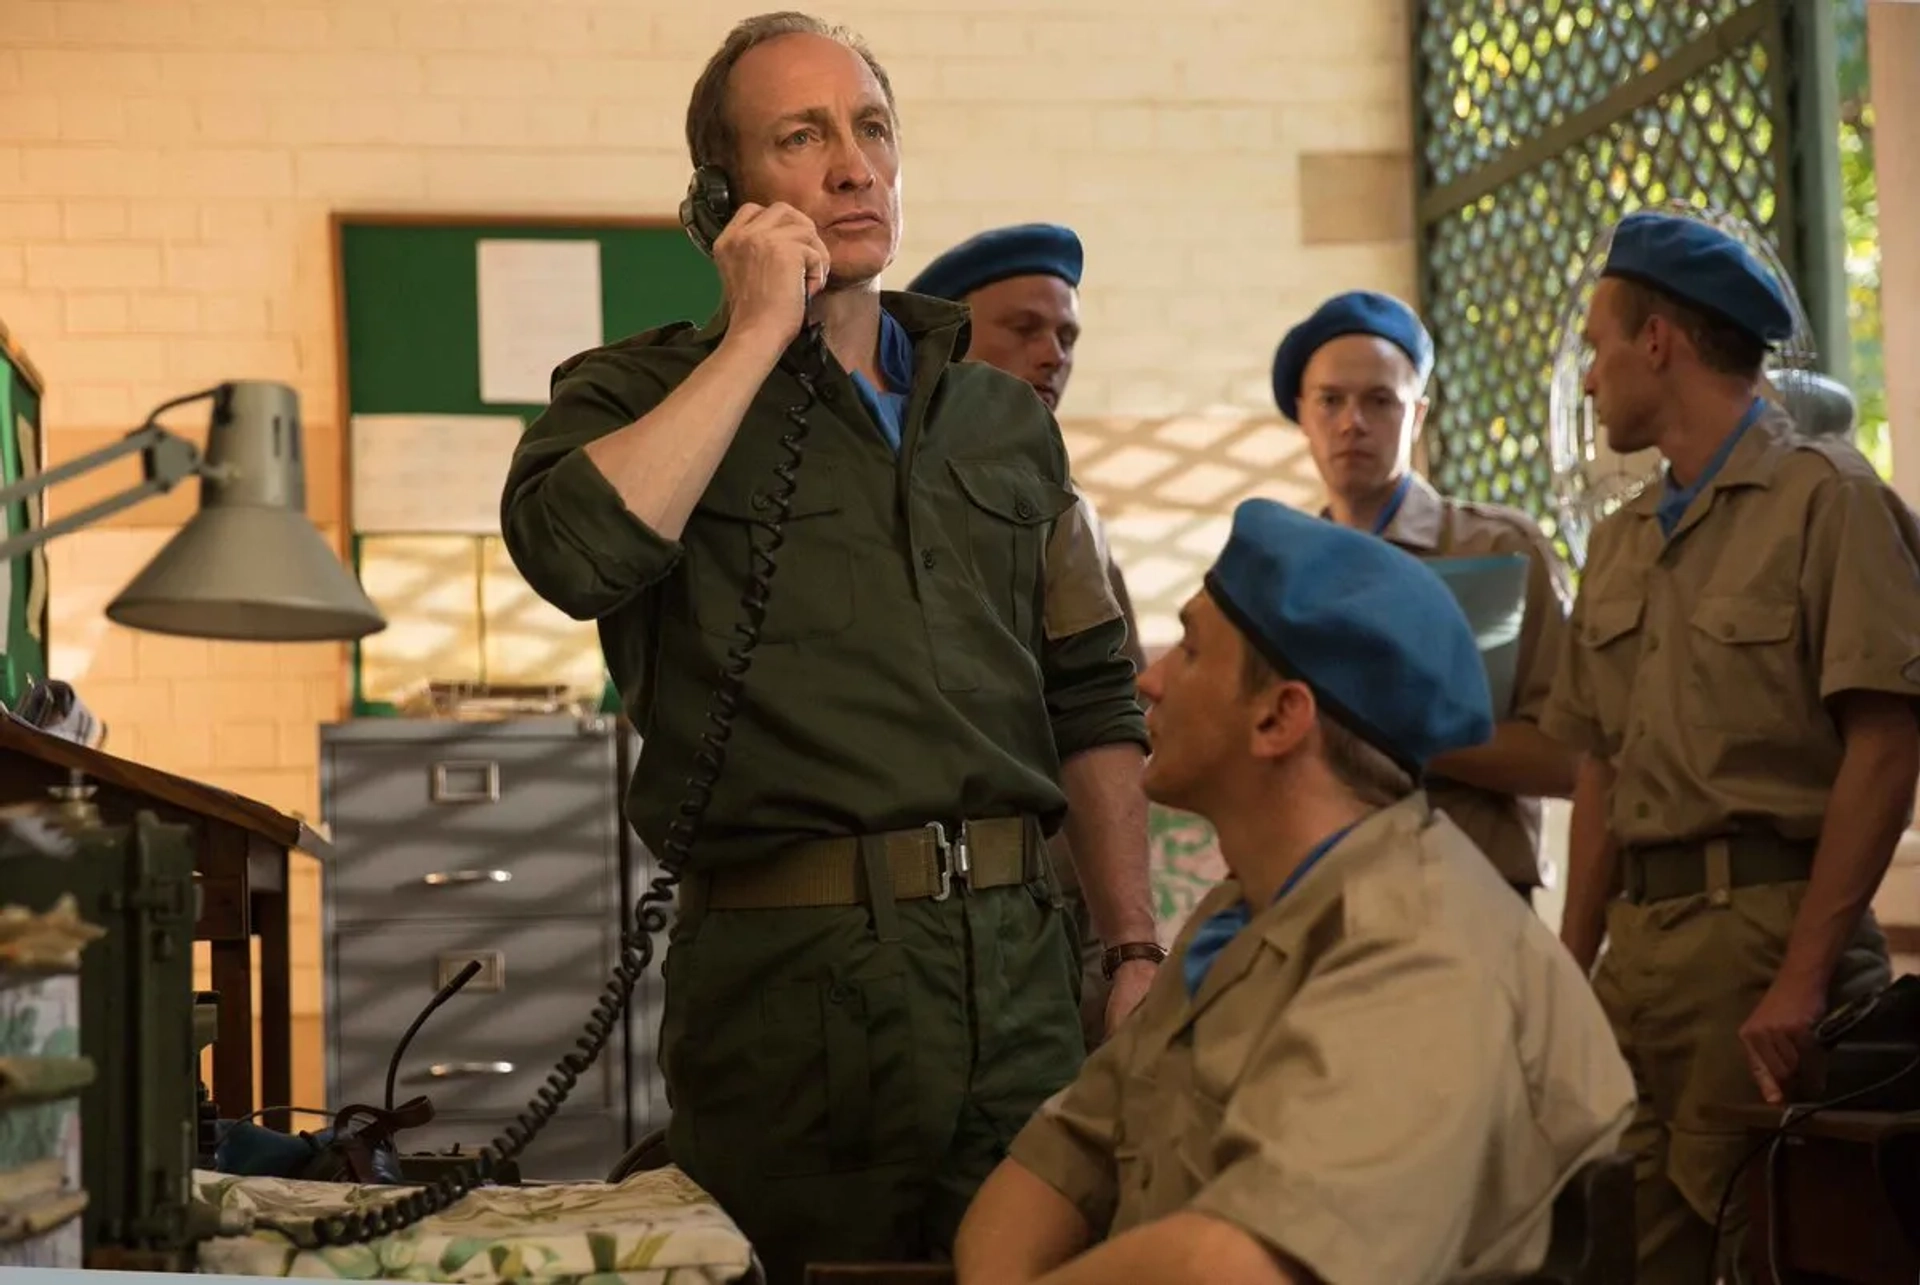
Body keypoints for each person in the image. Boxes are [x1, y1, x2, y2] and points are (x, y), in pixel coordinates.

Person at [498, 13, 1159, 1283]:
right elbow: (574, 558)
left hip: (1019, 975)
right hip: (794, 991)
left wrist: (1130, 948)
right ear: (719, 199)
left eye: (871, 130)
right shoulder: (635, 395)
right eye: (802, 138)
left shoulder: (1001, 424)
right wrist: (753, 338)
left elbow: (1089, 696)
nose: (854, 166)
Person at [952, 497, 1636, 1285]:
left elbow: (1239, 1267)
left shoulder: (1423, 950)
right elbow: (1052, 1164)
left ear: (1279, 718)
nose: (1153, 677)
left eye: (1194, 649)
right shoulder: (1239, 916)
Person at [1543, 209, 1920, 1284]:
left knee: (1761, 1244)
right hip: (1641, 960)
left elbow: (1886, 751)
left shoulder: (1827, 503)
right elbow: (1600, 771)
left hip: (1763, 946)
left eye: (1598, 347)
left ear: (1658, 340)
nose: (1589, 380)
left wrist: (1802, 981)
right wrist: (1574, 966)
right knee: (1625, 1245)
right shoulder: (1619, 547)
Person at [910, 222, 1153, 1046]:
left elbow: (1110, 711)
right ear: (945, 334)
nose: (1054, 354)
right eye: (1023, 327)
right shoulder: (883, 492)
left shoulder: (1063, 509)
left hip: (1048, 902)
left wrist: (1131, 944)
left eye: (1067, 335)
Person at [1271, 289, 1577, 902]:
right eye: (1331, 400)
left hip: (1473, 899)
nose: (1352, 422)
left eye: (1380, 401)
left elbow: (1570, 760)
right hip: (1322, 902)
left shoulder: (1498, 551)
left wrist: (1392, 728)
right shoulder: (1282, 573)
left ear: (1419, 413)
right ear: (1303, 414)